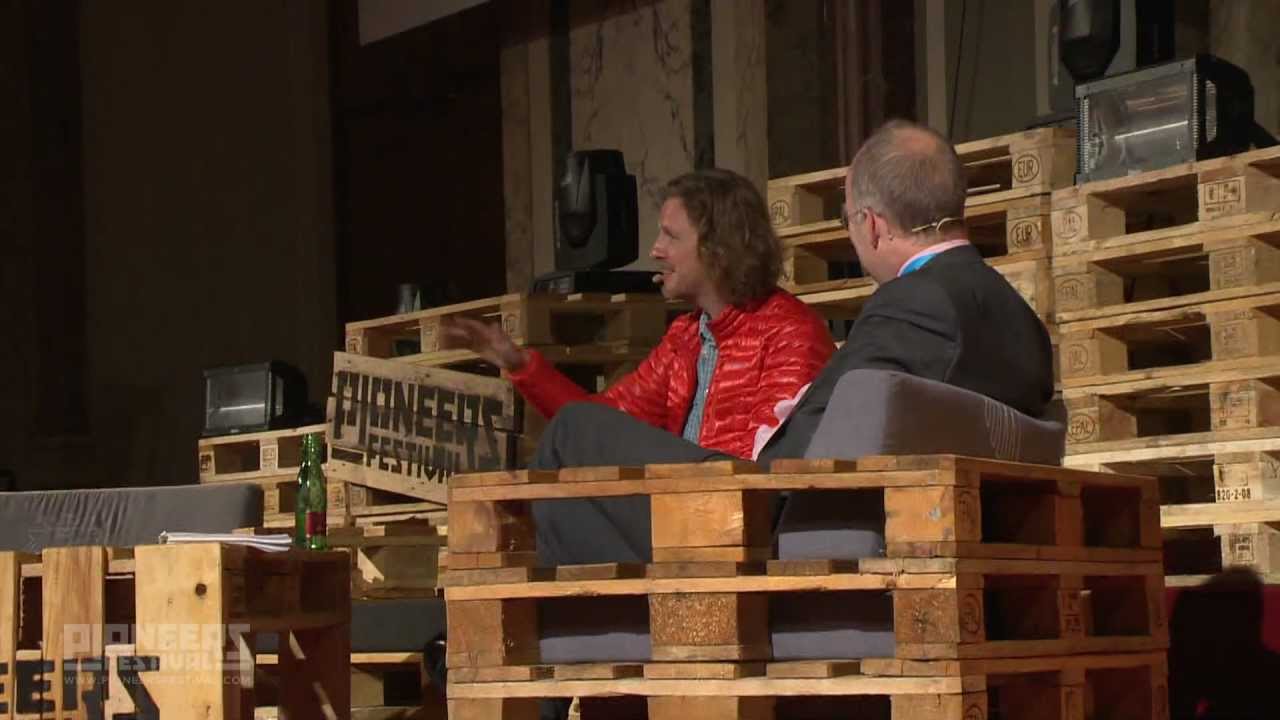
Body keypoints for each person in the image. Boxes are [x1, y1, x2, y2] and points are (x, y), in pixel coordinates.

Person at [529, 118, 1055, 481]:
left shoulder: (913, 306)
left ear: (872, 226)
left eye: (847, 219)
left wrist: (779, 433)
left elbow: (802, 454)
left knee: (573, 431)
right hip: (845, 511)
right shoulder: (1021, 321)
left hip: (759, 514)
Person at [443, 168, 835, 462]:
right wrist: (520, 364)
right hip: (677, 506)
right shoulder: (685, 337)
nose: (655, 250)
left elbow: (770, 466)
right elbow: (603, 423)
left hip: (730, 514)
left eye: (671, 236)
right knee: (571, 436)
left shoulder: (791, 332)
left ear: (720, 248)